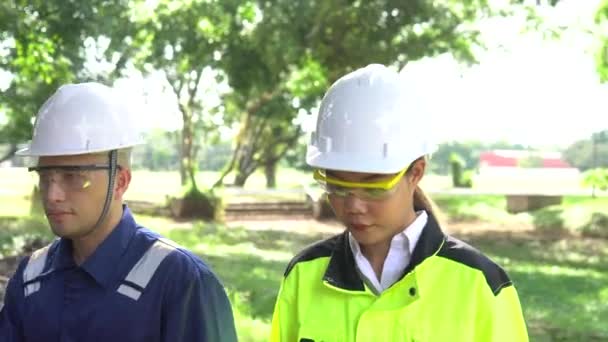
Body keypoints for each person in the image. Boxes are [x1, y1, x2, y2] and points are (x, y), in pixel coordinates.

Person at [270, 64, 528, 341]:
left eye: (373, 186)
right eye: (338, 185)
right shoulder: (304, 275)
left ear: (415, 172)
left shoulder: (479, 285)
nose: (354, 205)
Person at [0, 83, 237, 342]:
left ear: (120, 181)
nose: (52, 194)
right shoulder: (30, 279)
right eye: (45, 177)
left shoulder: (181, 282)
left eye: (73, 176)